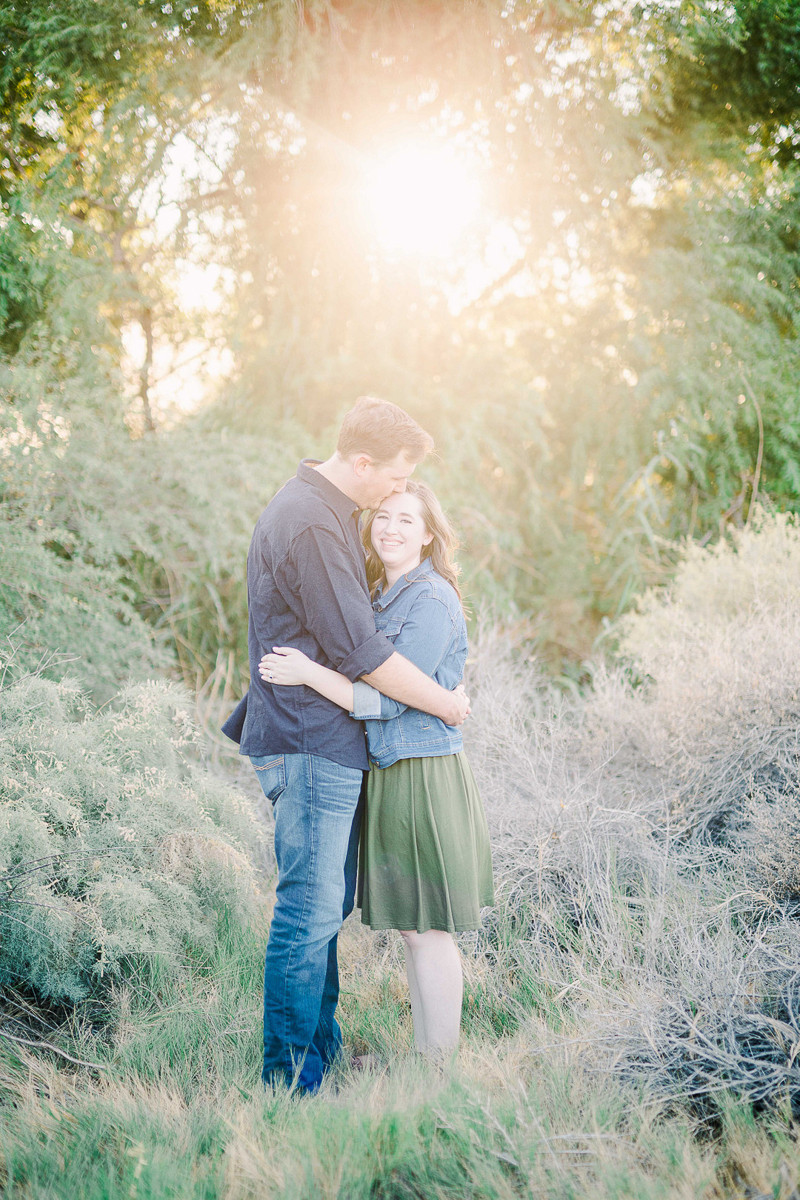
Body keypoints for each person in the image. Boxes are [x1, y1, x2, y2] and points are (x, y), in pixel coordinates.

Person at [221, 397, 470, 1095]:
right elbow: (364, 654)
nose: (397, 490)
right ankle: (291, 1081)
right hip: (309, 742)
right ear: (362, 463)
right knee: (308, 909)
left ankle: (319, 1057)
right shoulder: (311, 523)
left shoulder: (326, 514)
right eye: (394, 477)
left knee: (323, 908)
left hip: (325, 739)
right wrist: (448, 703)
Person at [259, 478, 494, 1059]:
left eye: (406, 520)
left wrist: (309, 675)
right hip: (388, 770)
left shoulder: (430, 598)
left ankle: (438, 1066)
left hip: (423, 772)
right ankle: (425, 1057)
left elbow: (389, 699)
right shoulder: (376, 594)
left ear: (429, 535)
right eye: (383, 516)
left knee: (428, 926)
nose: (390, 529)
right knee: (412, 925)